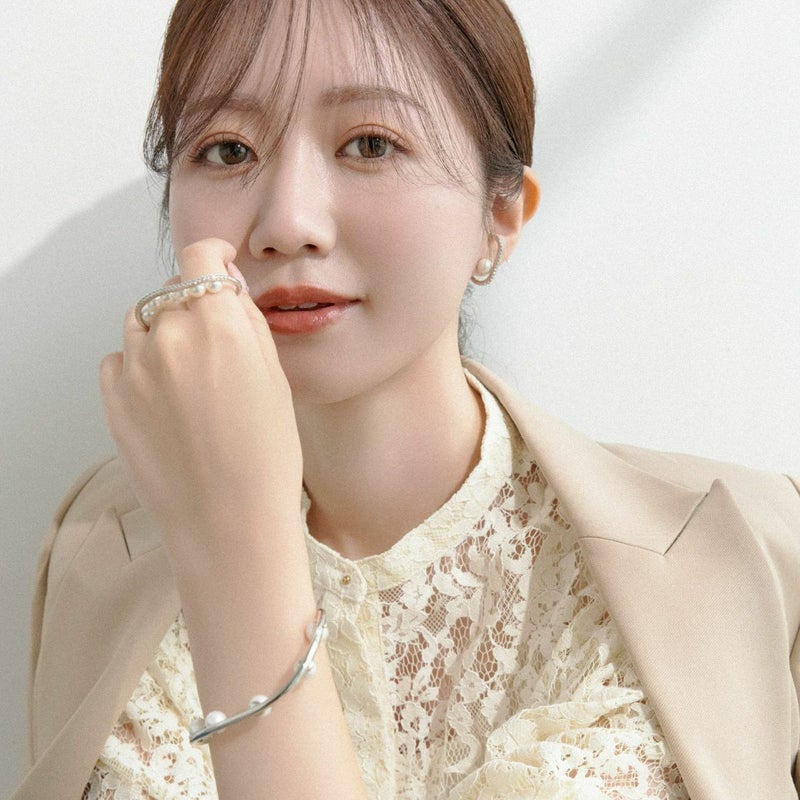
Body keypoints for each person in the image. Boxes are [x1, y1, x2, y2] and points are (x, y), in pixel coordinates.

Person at [10, 0, 800, 798]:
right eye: (227, 149)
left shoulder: (739, 551)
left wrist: (237, 551)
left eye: (371, 144)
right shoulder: (96, 545)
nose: (287, 223)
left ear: (501, 215)